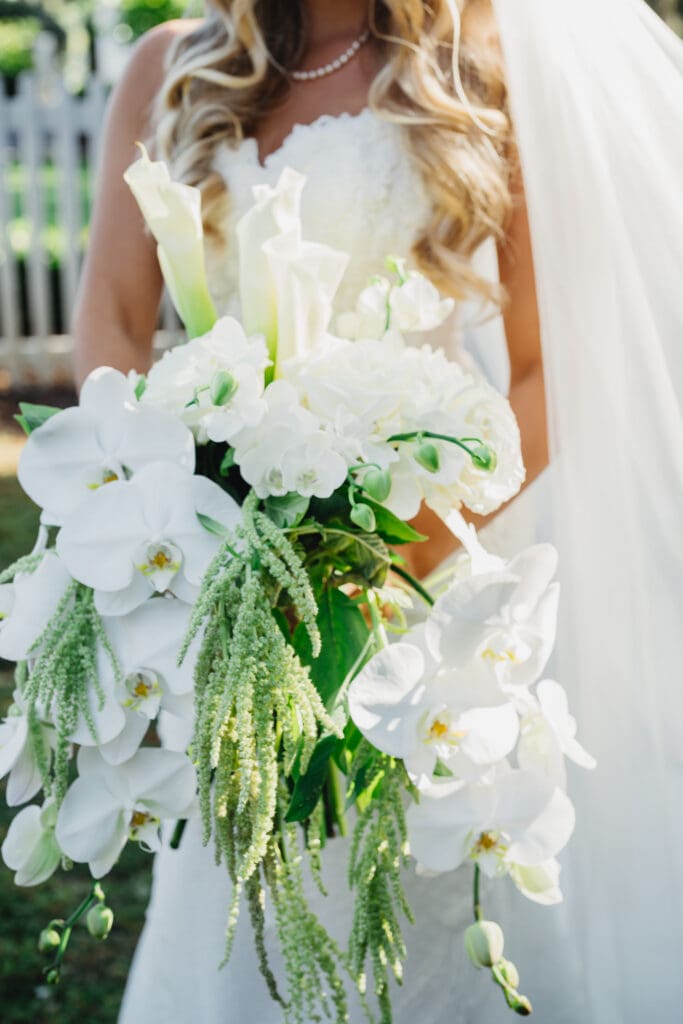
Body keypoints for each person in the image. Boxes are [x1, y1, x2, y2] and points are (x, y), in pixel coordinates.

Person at [71, 1, 683, 1021]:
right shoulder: (169, 67)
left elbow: (547, 372)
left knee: (431, 904)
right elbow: (113, 318)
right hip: (232, 587)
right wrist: (166, 520)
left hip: (425, 591)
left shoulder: (475, 67)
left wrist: (375, 561)